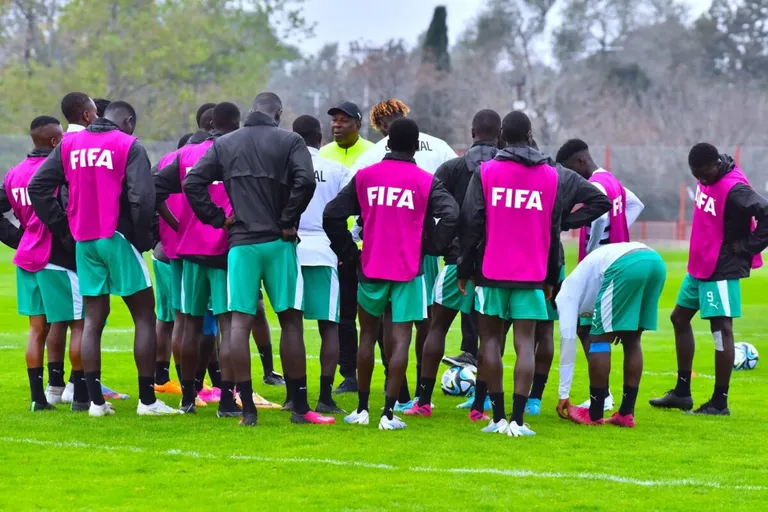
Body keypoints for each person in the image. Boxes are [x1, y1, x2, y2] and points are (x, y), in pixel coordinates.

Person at [458, 111, 611, 437]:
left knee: (491, 343)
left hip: (491, 271)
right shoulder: (555, 175)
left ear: (502, 136)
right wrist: (559, 224)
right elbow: (600, 200)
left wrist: (464, 267)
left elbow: (471, 224)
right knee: (525, 343)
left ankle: (496, 417)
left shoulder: (485, 172)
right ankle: (518, 421)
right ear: (530, 135)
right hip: (534, 273)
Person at [185, 92, 334, 426]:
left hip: (241, 243)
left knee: (239, 323)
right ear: (278, 113)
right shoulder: (290, 140)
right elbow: (306, 180)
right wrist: (288, 218)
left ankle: (248, 411)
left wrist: (216, 217)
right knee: (290, 320)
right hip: (278, 242)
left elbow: (193, 181)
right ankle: (299, 408)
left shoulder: (225, 143)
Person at [29, 100, 179, 417]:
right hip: (117, 236)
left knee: (93, 319)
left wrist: (65, 228)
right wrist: (141, 238)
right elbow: (142, 196)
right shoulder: (128, 144)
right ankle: (148, 401)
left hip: (85, 240)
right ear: (125, 120)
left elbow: (38, 186)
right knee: (144, 316)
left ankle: (95, 402)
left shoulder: (70, 144)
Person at [324, 117, 459, 430]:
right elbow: (451, 213)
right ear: (415, 146)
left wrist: (349, 253)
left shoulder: (366, 177)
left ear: (387, 144)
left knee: (367, 336)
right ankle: (388, 412)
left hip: (370, 267)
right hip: (408, 269)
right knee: (400, 339)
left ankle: (361, 409)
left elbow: (332, 213)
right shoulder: (424, 180)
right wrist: (431, 245)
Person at [650, 143, 768, 415]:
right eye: (696, 175)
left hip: (721, 268)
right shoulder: (708, 174)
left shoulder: (735, 189)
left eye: (704, 174)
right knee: (678, 318)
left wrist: (749, 246)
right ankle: (682, 393)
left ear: (716, 164)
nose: (701, 180)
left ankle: (719, 402)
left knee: (720, 330)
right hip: (700, 265)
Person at [407, 109, 501, 420]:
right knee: (490, 338)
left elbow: (429, 209)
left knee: (437, 328)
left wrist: (440, 244)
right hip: (492, 267)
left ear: (472, 131)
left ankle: (423, 400)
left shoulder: (451, 168)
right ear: (498, 135)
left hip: (455, 261)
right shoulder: (506, 171)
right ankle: (479, 407)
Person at [154, 102, 241, 415]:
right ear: (236, 123)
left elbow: (155, 189)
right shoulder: (237, 150)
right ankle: (227, 400)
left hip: (190, 250)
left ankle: (188, 398)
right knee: (228, 325)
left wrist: (180, 226)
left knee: (188, 323)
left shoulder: (185, 155)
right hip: (226, 250)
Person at [0, 116, 87, 412]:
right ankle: (79, 395)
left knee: (37, 329)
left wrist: (17, 237)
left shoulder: (14, 174)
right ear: (54, 142)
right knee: (79, 325)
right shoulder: (58, 172)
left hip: (26, 258)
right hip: (55, 255)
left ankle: (39, 397)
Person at [555, 242, 666, 427]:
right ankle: (626, 414)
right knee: (632, 339)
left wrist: (563, 393)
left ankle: (595, 412)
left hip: (625, 265)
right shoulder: (583, 284)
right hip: (654, 261)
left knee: (598, 339)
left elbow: (568, 344)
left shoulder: (565, 296)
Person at [293, 114, 352, 413]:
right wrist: (348, 241)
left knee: (292, 327)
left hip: (291, 249)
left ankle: (293, 394)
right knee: (329, 326)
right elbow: (349, 208)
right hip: (324, 250)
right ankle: (325, 395)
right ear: (320, 138)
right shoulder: (336, 168)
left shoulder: (286, 166)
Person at [318, 101, 375, 395]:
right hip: (337, 247)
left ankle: (391, 372)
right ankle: (348, 373)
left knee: (376, 314)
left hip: (368, 248)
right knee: (344, 314)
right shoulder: (324, 155)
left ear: (358, 124)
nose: (337, 125)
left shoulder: (371, 154)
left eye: (343, 121)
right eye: (334, 121)